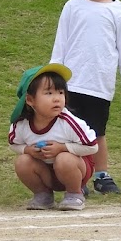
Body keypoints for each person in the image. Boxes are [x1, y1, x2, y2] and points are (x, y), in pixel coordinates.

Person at [50, 0, 121, 195]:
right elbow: (61, 41)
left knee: (97, 132)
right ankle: (78, 178)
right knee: (69, 131)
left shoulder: (118, 11)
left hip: (100, 84)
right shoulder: (72, 7)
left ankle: (101, 175)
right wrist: (54, 75)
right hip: (71, 83)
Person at [8, 63, 99, 212]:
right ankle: (43, 195)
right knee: (22, 161)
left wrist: (62, 148)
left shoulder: (68, 122)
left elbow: (92, 146)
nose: (57, 99)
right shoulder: (21, 124)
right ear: (30, 100)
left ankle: (75, 193)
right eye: (49, 93)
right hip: (46, 172)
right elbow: (13, 144)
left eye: (61, 92)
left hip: (74, 169)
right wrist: (28, 150)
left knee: (64, 158)